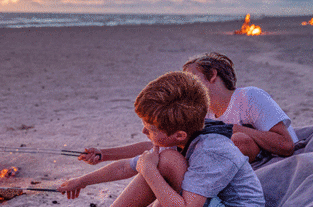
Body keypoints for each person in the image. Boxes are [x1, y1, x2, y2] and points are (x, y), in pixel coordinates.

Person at [56, 71, 268, 207]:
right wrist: (81, 181)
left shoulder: (211, 149)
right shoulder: (186, 136)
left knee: (167, 162)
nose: (144, 133)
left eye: (150, 128)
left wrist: (149, 171)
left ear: (179, 135)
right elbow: (126, 167)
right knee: (165, 160)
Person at [80, 52, 297, 165]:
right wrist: (104, 154)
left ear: (213, 75)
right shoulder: (202, 113)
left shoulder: (249, 97)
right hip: (232, 165)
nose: (186, 85)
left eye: (192, 78)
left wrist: (235, 129)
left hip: (268, 160)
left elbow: (287, 145)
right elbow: (160, 141)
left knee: (237, 142)